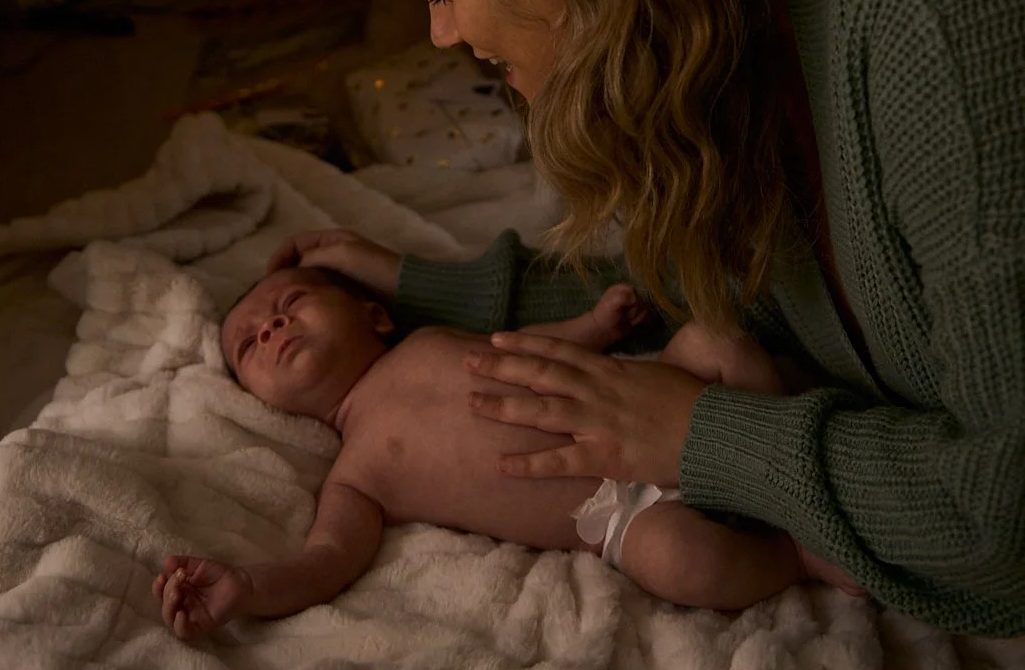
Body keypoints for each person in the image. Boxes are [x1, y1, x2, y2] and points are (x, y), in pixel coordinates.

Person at [269, 0, 1025, 639]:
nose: (441, 34)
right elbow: (681, 284)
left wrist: (700, 438)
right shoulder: (731, 61)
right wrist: (412, 286)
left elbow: (1002, 527)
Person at [153, 264, 858, 639]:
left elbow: (531, 350)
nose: (272, 326)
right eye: (250, 343)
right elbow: (326, 560)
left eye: (292, 302)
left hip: (650, 392)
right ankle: (794, 552)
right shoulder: (356, 474)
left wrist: (594, 325)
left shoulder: (430, 343)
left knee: (714, 341)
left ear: (375, 314)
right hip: (619, 508)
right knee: (685, 562)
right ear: (258, 401)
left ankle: (789, 467)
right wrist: (249, 588)